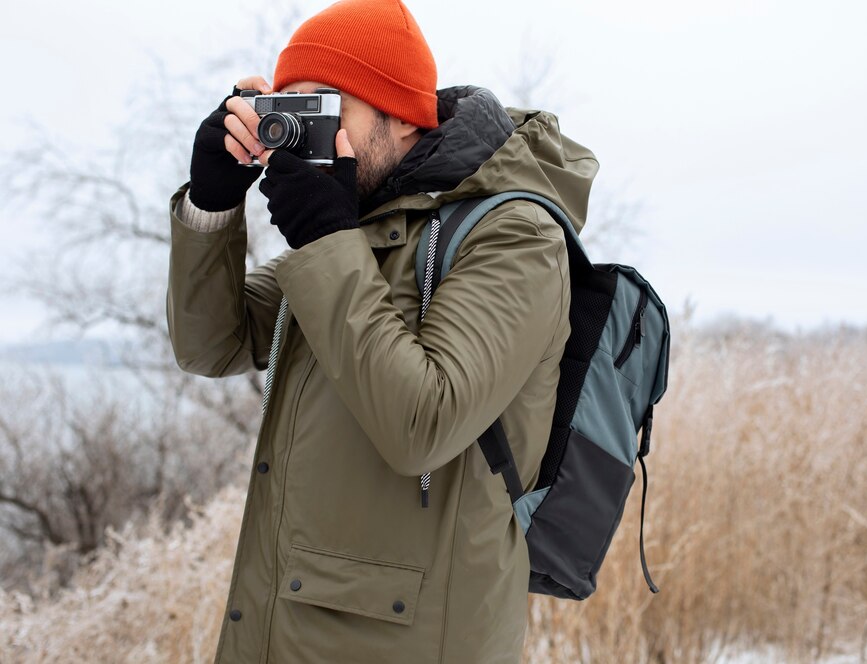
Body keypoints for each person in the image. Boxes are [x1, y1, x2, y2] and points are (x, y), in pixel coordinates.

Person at [166, 0, 597, 661]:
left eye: (326, 109)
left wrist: (324, 236)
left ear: (398, 114)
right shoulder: (358, 235)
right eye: (293, 111)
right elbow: (210, 343)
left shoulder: (513, 235)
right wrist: (212, 201)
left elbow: (423, 423)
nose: (304, 137)